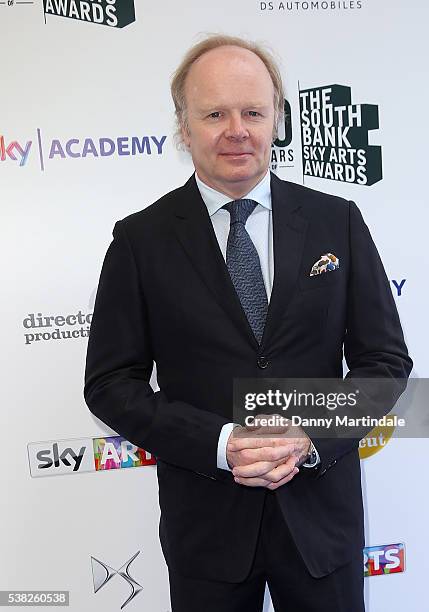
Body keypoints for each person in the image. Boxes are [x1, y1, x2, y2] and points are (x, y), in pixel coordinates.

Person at [84, 34, 412, 612]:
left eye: (253, 112)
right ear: (185, 128)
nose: (236, 129)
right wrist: (219, 443)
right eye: (215, 113)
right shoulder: (140, 240)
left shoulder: (338, 222)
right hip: (207, 531)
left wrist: (310, 433)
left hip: (321, 526)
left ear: (276, 120)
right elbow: (112, 383)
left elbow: (384, 364)